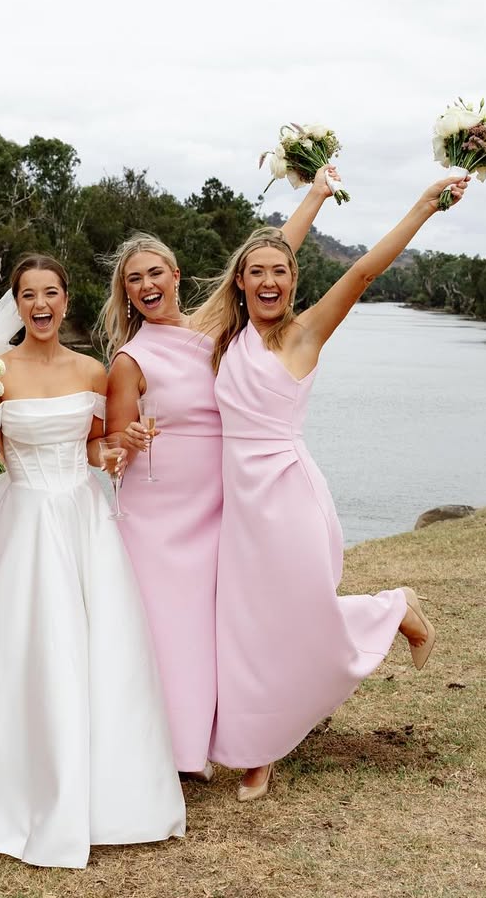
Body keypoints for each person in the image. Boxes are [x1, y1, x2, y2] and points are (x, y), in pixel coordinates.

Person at [196, 174, 468, 802]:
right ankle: (255, 749)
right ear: (240, 281)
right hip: (239, 505)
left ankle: (390, 611)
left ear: (294, 281)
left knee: (296, 617)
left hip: (289, 496)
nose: (270, 280)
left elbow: (365, 272)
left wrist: (424, 205)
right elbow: (272, 246)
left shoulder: (306, 332)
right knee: (243, 626)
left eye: (281, 273)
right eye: (256, 271)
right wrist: (313, 196)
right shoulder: (226, 335)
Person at [0, 254, 185, 870]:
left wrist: (124, 446)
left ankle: (114, 794)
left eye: (50, 293)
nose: (39, 305)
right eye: (27, 295)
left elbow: (99, 448)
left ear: (66, 300)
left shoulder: (94, 370)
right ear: (16, 306)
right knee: (33, 649)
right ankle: (23, 789)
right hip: (26, 523)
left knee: (103, 650)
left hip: (85, 519)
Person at [102, 170, 337, 780]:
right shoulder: (130, 359)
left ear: (177, 277)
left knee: (216, 626)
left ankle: (230, 736)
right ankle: (171, 750)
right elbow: (106, 449)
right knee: (163, 627)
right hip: (156, 512)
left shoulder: (218, 330)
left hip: (225, 500)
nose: (148, 285)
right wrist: (122, 441)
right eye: (135, 280)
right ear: (126, 294)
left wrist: (313, 196)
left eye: (157, 273)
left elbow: (268, 261)